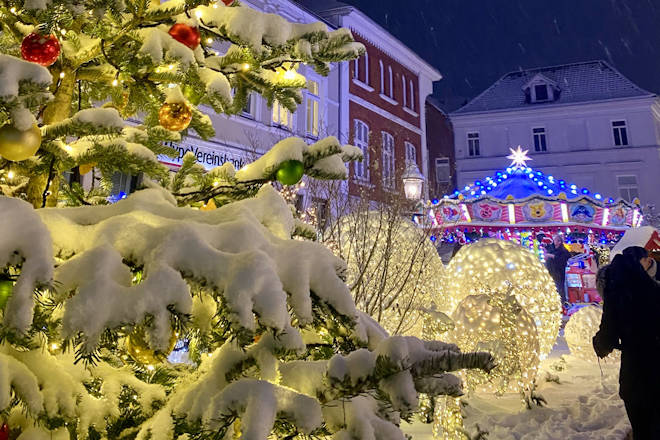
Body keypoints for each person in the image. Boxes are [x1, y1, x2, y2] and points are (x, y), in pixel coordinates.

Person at [593, 246, 660, 439]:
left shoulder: (617, 291)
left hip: (637, 368)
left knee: (643, 423)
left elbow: (608, 335)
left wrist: (599, 345)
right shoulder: (651, 287)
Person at [545, 234, 571, 302]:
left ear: (559, 242)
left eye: (555, 240)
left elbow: (562, 260)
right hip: (550, 271)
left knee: (560, 289)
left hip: (558, 273)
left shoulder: (564, 251)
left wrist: (551, 256)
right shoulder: (551, 248)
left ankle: (562, 303)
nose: (554, 241)